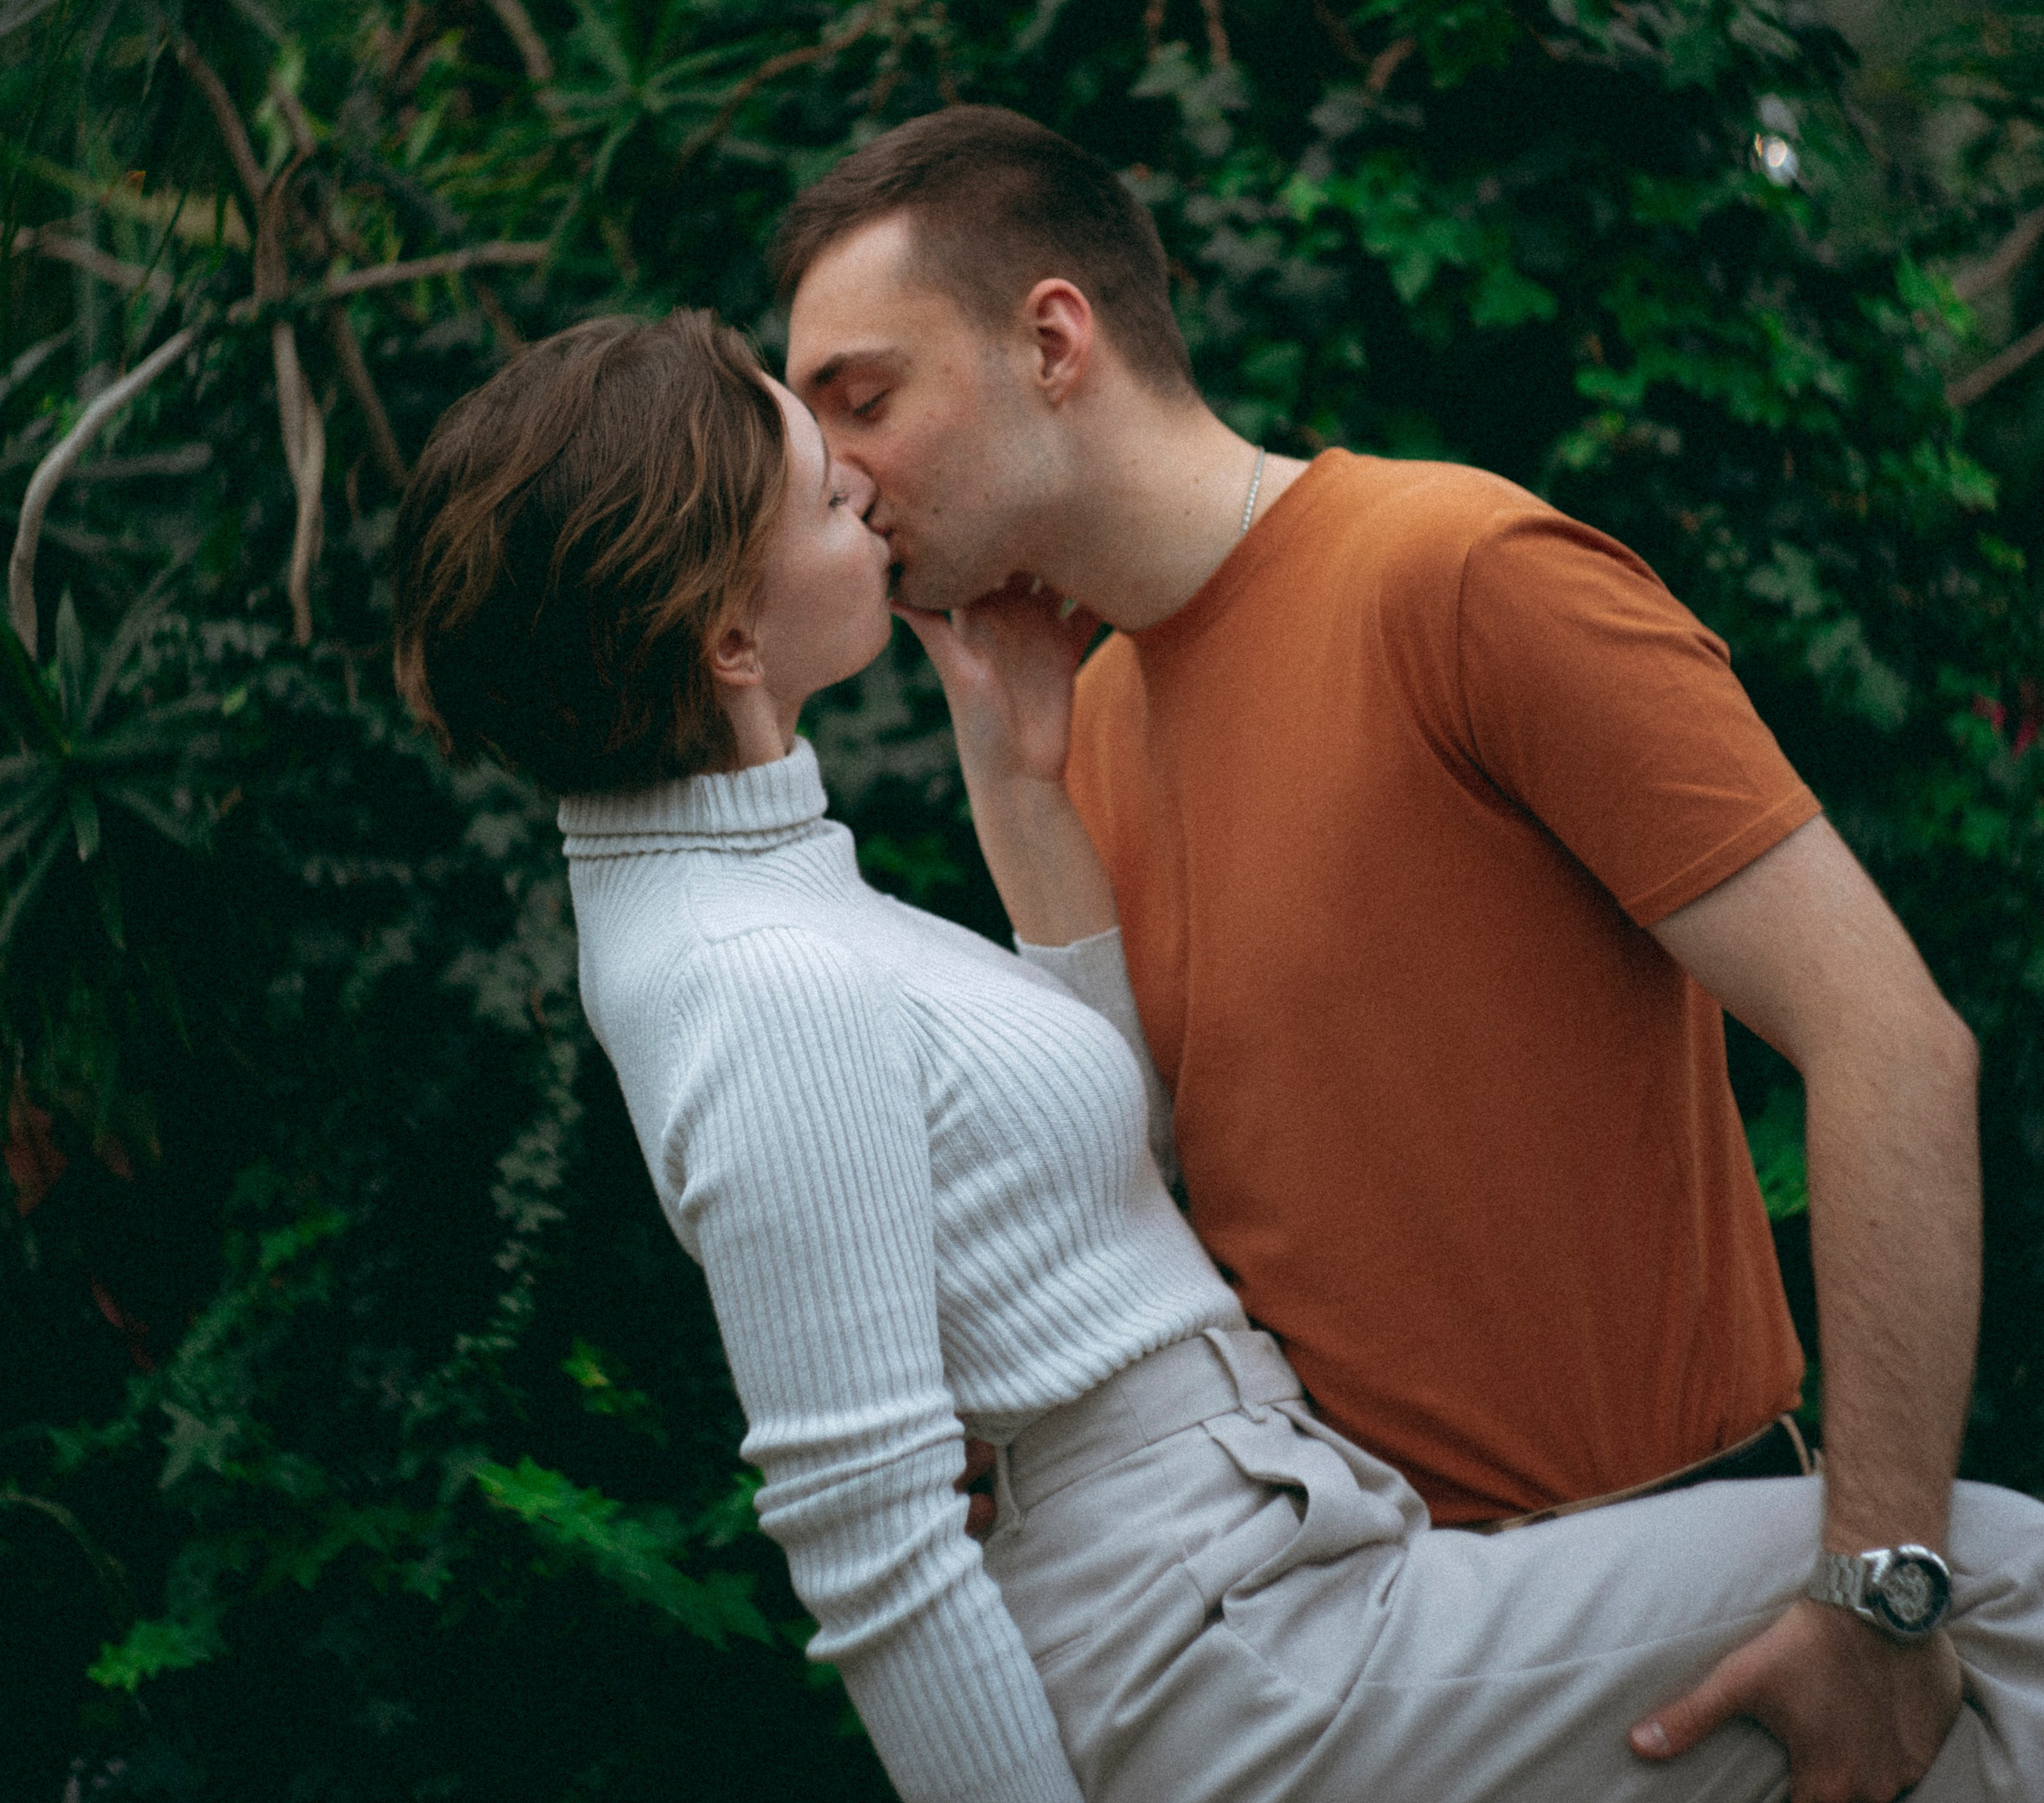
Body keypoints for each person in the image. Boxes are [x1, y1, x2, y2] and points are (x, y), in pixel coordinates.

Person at [389, 306, 2044, 1803]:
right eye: (820, 492)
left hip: (1257, 1564)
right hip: (1219, 1642)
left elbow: (1093, 1171)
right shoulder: (752, 973)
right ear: (725, 643)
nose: (866, 493)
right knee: (1985, 1584)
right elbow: (874, 1540)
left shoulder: (739, 894)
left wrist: (1023, 784)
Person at [772, 105, 2018, 1798]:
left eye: (864, 394)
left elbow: (1890, 1041)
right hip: (1354, 1678)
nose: (837, 471)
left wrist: (1876, 1589)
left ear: (1051, 339)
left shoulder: (1457, 576)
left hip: (1691, 1648)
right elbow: (1156, 1237)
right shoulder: (1088, 727)